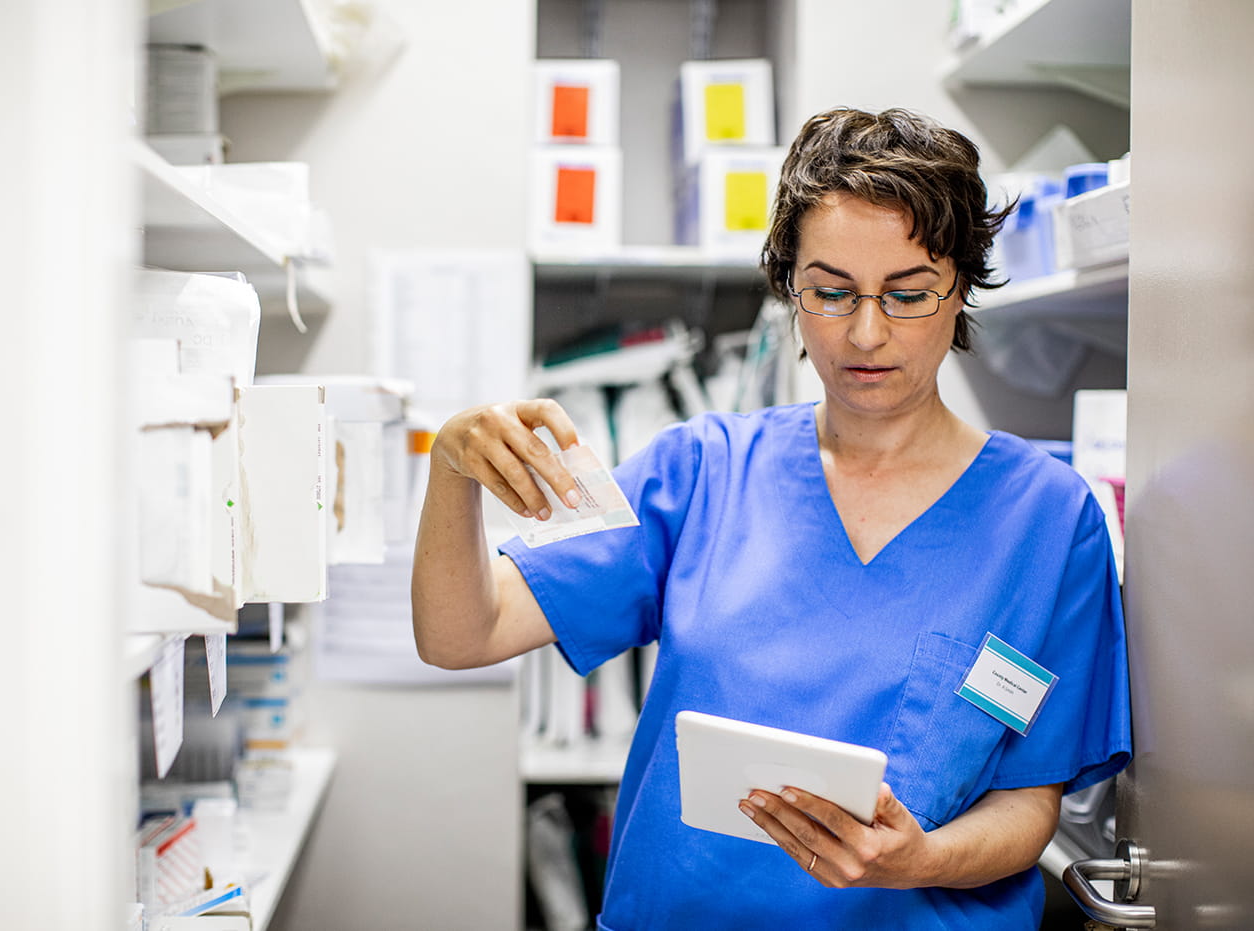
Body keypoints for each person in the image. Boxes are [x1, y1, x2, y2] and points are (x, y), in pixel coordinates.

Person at [410, 107, 1131, 929]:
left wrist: (919, 860)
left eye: (908, 294)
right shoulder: (702, 473)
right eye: (830, 291)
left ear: (960, 285)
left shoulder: (1048, 520)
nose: (866, 332)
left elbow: (1029, 803)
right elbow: (461, 633)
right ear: (790, 287)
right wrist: (451, 469)